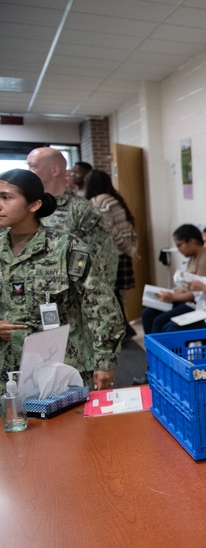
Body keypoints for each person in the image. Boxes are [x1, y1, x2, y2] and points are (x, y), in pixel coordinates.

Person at [0, 169, 124, 390]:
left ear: (34, 205)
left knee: (70, 425)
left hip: (61, 366)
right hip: (7, 370)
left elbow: (100, 304)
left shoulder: (65, 247)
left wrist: (104, 361)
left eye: (6, 197)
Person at [26, 148, 118, 292]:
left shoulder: (82, 211)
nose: (28, 171)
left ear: (55, 170)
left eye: (33, 166)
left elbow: (103, 263)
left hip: (69, 304)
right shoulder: (28, 208)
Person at [85, 169, 140, 337]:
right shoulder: (112, 199)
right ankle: (123, 328)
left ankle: (120, 329)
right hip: (119, 252)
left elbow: (109, 229)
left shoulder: (99, 201)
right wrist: (131, 248)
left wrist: (129, 249)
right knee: (114, 293)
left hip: (112, 253)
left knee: (110, 294)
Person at [140, 224, 206, 335]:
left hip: (197, 305)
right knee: (147, 314)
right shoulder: (193, 257)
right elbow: (187, 286)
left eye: (180, 245)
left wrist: (173, 297)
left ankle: (161, 352)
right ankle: (151, 350)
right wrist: (172, 293)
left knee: (160, 322)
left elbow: (197, 293)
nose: (178, 250)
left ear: (191, 241)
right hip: (188, 300)